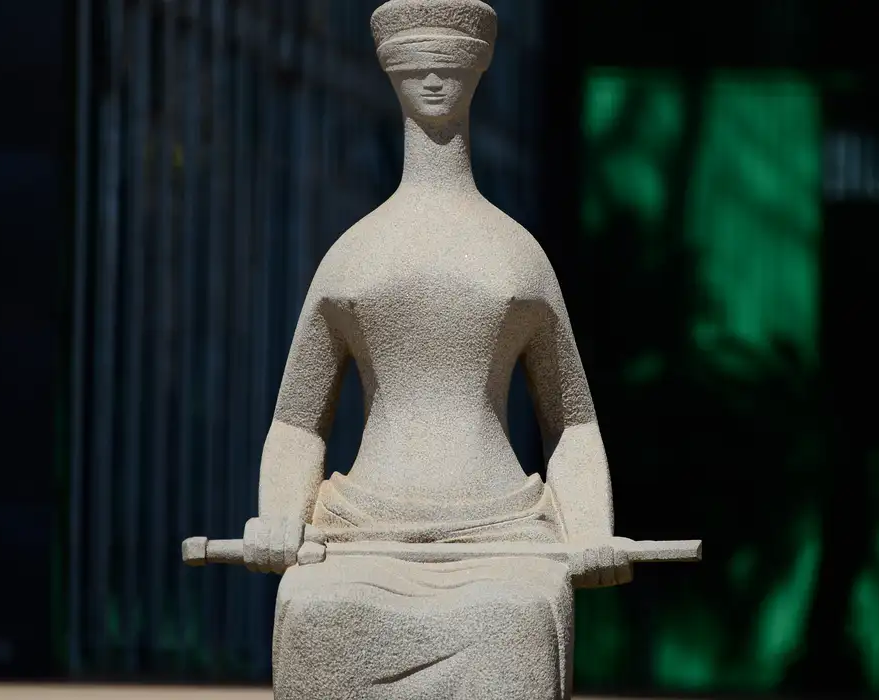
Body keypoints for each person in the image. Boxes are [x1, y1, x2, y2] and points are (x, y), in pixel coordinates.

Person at [241, 2, 628, 697]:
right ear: (391, 75)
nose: (432, 80)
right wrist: (279, 516)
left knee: (514, 618)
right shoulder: (353, 256)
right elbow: (297, 423)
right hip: (363, 530)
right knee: (315, 613)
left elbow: (572, 419)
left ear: (477, 73)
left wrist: (592, 528)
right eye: (415, 67)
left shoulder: (517, 255)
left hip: (502, 531)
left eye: (448, 66)